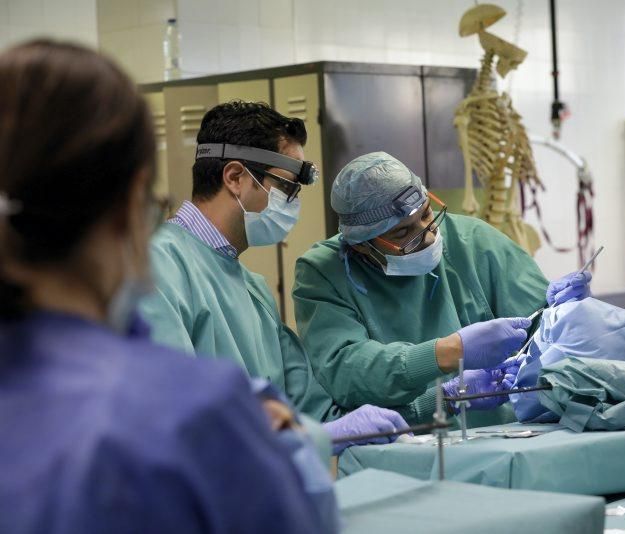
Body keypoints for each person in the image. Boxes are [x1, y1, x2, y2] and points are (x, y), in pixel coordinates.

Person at [0, 40, 338, 533]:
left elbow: (302, 397)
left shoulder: (248, 285)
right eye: (287, 188)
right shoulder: (188, 409)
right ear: (128, 208)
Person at [139, 101, 407, 450]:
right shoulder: (157, 267)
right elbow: (178, 412)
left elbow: (311, 407)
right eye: (287, 188)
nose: (293, 202)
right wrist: (313, 436)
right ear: (235, 177)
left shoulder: (253, 289)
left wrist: (436, 398)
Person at [293, 152, 592, 426]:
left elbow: (553, 343)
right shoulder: (323, 272)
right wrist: (448, 353)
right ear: (361, 244)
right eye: (402, 233)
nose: (426, 237)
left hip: (502, 434)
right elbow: (349, 373)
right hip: (402, 445)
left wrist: (565, 313)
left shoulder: (473, 241)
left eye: (426, 214)